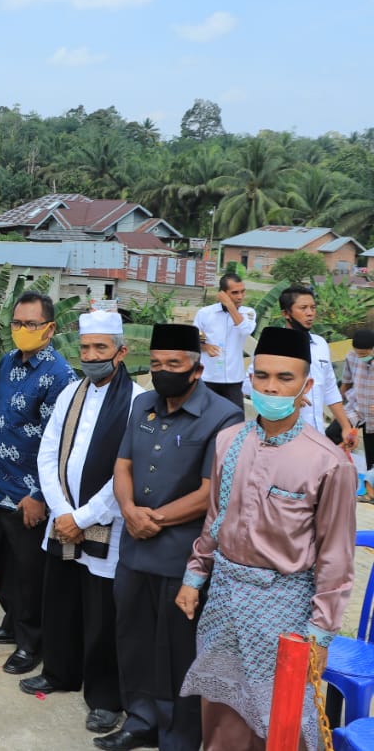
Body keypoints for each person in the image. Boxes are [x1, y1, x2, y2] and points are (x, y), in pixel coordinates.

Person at [177, 326, 356, 750]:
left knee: (279, 722)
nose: (270, 387)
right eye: (262, 376)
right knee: (220, 714)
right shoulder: (229, 442)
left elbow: (335, 558)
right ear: (250, 379)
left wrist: (320, 635)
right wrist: (194, 575)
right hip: (222, 600)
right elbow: (214, 521)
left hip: (284, 611)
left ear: (306, 386)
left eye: (284, 378)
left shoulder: (329, 463)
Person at [97, 323, 243, 751]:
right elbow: (122, 465)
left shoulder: (223, 416)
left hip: (183, 557)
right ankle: (139, 719)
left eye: (174, 364)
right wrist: (128, 511)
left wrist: (155, 519)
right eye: (157, 364)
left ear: (196, 369)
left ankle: (178, 734)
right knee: (134, 639)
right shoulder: (144, 403)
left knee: (179, 649)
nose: (163, 372)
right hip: (134, 549)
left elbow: (210, 492)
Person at [19, 310, 144, 738]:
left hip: (105, 526)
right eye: (86, 348)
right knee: (61, 601)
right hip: (64, 519)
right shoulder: (72, 390)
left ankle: (106, 699)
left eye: (100, 349)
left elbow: (127, 470)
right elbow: (48, 452)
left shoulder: (135, 401)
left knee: (101, 613)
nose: (91, 356)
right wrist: (61, 511)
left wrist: (86, 516)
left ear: (121, 351)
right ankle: (59, 673)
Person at [0, 291, 78, 675]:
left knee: (29, 571)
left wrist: (38, 496)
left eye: (31, 324)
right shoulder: (6, 362)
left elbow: (59, 445)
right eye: (17, 323)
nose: (23, 330)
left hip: (28, 495)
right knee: (0, 562)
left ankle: (30, 642)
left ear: (49, 328)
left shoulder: (59, 375)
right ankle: (12, 621)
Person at [243, 284, 355, 449]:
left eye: (312, 307)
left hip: (317, 436)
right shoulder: (272, 346)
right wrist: (286, 394)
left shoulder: (321, 344)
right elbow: (247, 385)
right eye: (303, 308)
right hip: (284, 437)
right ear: (286, 314)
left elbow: (330, 390)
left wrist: (345, 426)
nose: (310, 313)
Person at [193, 273, 256, 408]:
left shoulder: (248, 313)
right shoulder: (205, 313)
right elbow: (195, 338)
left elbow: (245, 330)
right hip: (208, 377)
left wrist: (230, 305)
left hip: (234, 379)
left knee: (235, 419)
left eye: (242, 292)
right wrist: (205, 346)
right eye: (235, 293)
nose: (240, 296)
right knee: (205, 418)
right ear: (223, 293)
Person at [339, 329, 374, 495]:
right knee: (333, 434)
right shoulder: (352, 357)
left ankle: (370, 493)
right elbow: (346, 382)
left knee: (372, 456)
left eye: (364, 353)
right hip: (355, 408)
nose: (361, 356)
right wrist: (336, 403)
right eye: (358, 353)